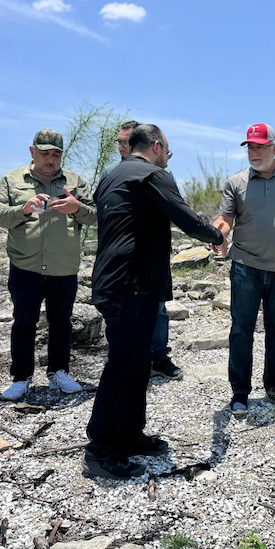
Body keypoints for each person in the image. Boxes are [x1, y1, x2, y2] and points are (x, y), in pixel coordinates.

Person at [84, 124, 223, 479]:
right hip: (132, 283)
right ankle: (102, 449)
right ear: (158, 147)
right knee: (123, 366)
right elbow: (187, 219)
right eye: (168, 154)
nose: (167, 160)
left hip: (116, 281)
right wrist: (217, 236)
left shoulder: (113, 175)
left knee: (135, 364)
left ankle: (130, 435)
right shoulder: (151, 175)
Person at [212, 123, 275, 415]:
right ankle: (240, 393)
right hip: (245, 267)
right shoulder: (236, 182)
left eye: (260, 146)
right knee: (241, 331)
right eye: (250, 147)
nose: (254, 152)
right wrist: (218, 233)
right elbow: (225, 218)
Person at [0, 129, 97, 400]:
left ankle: (58, 372)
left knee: (61, 321)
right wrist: (23, 209)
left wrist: (77, 208)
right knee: (24, 322)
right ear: (32, 152)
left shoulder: (74, 181)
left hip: (64, 266)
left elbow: (95, 216)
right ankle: (21, 378)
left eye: (56, 154)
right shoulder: (12, 180)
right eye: (45, 153)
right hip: (26, 265)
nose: (51, 159)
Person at [110, 120, 180, 381]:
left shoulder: (160, 175)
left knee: (158, 307)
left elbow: (175, 212)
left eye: (128, 141)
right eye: (120, 142)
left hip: (152, 259)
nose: (124, 146)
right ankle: (128, 360)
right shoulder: (112, 175)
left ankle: (159, 356)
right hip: (122, 262)